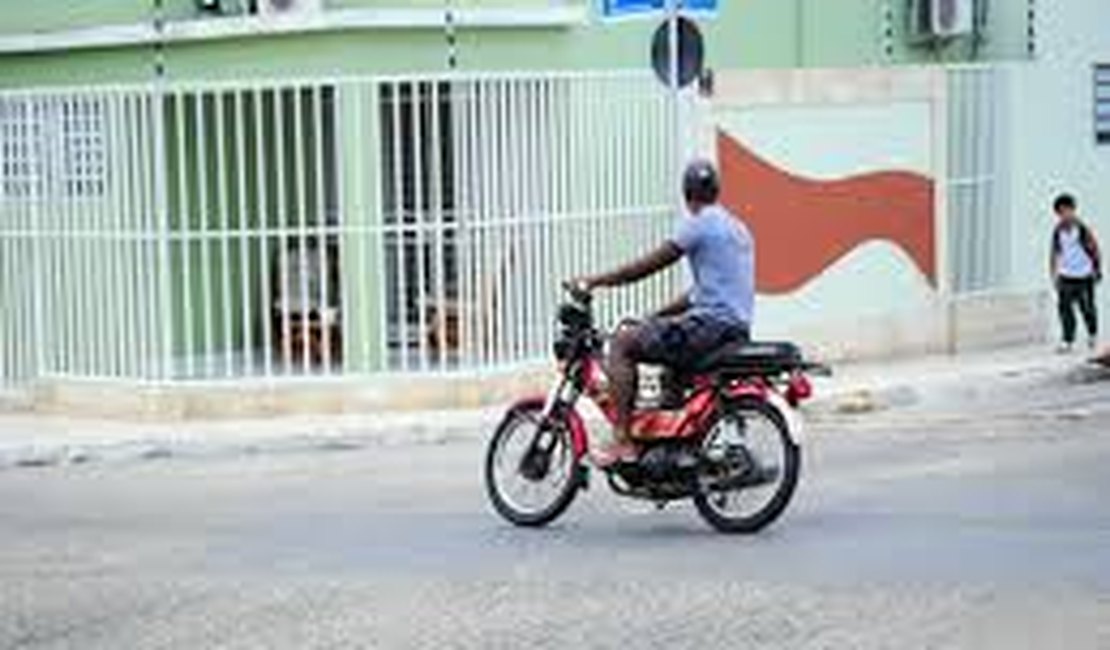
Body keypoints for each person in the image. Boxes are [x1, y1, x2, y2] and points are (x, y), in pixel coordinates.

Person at [570, 159, 755, 467]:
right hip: (733, 329)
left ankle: (623, 440)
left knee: (623, 344)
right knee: (671, 366)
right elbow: (698, 294)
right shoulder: (738, 228)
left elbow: (647, 265)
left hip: (708, 328)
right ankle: (673, 450)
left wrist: (595, 281)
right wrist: (654, 317)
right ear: (717, 191)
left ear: (686, 194)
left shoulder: (699, 224)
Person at [1049, 194, 1101, 353]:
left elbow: (1095, 250)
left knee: (1087, 308)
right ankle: (1067, 339)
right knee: (1064, 308)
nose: (1065, 214)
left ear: (1073, 210)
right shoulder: (1058, 231)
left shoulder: (1083, 229)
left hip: (1084, 275)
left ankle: (1092, 333)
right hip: (1066, 275)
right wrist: (1054, 274)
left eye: (1068, 210)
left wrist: (1097, 270)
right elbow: (1054, 253)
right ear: (1057, 213)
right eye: (1061, 211)